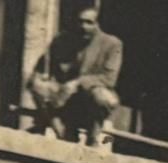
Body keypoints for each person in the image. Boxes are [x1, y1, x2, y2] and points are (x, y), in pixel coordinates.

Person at [27, 5, 122, 145]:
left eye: (89, 22)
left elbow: (109, 79)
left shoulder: (112, 44)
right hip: (65, 97)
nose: (83, 26)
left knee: (102, 96)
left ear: (97, 24)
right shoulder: (62, 40)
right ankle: (63, 135)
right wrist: (41, 82)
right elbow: (40, 69)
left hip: (90, 98)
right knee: (36, 85)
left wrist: (78, 83)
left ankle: (93, 138)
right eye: (80, 21)